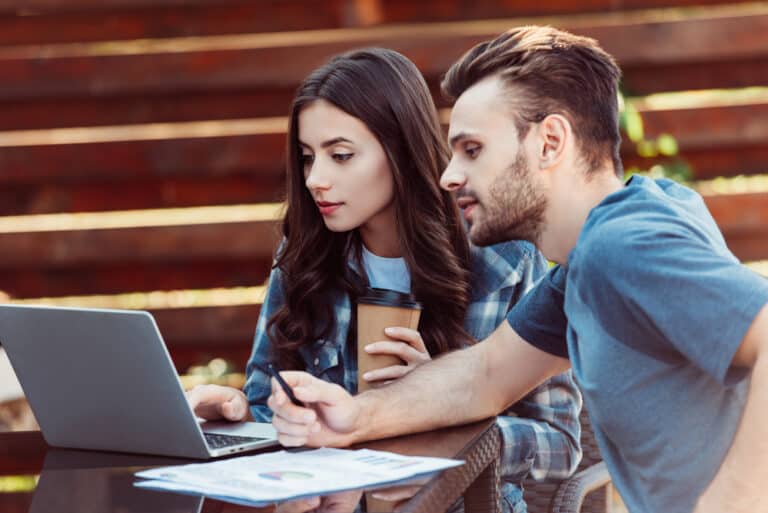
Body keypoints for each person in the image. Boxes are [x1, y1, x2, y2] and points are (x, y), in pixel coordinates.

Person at [266, 27, 768, 513]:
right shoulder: (588, 264)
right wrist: (354, 417)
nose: (448, 175)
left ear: (549, 142)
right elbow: (486, 375)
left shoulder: (621, 246)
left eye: (473, 150)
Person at [188, 47, 583, 513]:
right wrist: (234, 415)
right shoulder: (303, 256)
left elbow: (559, 443)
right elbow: (265, 404)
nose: (316, 178)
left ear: (399, 149)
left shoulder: (505, 257)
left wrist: (439, 406)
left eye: (340, 155)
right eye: (307, 157)